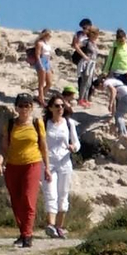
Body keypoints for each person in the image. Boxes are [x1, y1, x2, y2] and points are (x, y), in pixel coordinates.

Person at [0, 92, 50, 248]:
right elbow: (4, 148)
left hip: (32, 164)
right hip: (13, 165)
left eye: (27, 105)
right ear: (16, 108)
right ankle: (23, 232)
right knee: (16, 201)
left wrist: (47, 167)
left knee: (28, 199)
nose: (24, 109)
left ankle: (27, 234)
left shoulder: (37, 123)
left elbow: (43, 147)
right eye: (21, 106)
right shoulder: (10, 124)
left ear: (31, 107)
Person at [41, 94, 81, 239]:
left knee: (63, 194)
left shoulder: (69, 123)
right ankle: (51, 226)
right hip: (48, 163)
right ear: (50, 108)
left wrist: (73, 147)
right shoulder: (44, 123)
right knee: (50, 193)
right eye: (57, 106)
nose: (60, 108)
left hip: (64, 163)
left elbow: (77, 143)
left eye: (62, 106)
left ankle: (59, 227)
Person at [73, 22, 98, 105]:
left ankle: (85, 99)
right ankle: (81, 99)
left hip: (92, 64)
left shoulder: (94, 43)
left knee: (89, 82)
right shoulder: (86, 42)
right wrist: (84, 56)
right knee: (84, 81)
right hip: (86, 63)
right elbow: (76, 46)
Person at [31, 29, 54, 103]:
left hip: (47, 62)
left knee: (49, 83)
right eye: (49, 36)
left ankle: (40, 96)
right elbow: (37, 55)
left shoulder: (47, 44)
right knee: (41, 83)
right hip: (41, 61)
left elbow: (49, 56)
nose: (50, 37)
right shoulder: (39, 43)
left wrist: (50, 66)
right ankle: (41, 99)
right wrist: (40, 65)